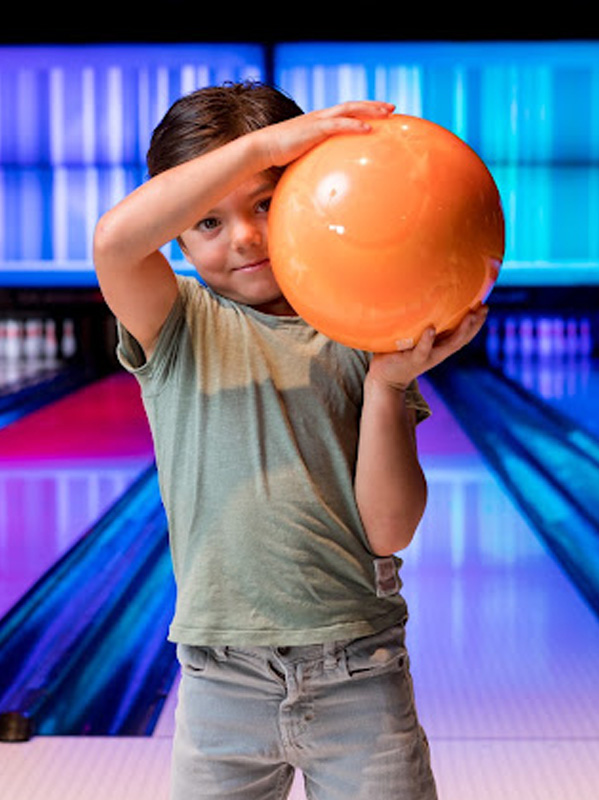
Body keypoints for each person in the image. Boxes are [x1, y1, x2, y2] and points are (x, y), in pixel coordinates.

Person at [93, 81, 487, 800]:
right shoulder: (179, 325)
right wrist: (267, 150)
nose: (243, 236)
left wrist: (387, 388)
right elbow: (116, 241)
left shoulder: (364, 332)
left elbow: (390, 528)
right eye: (207, 222)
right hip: (220, 682)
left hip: (359, 673)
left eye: (267, 204)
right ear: (177, 233)